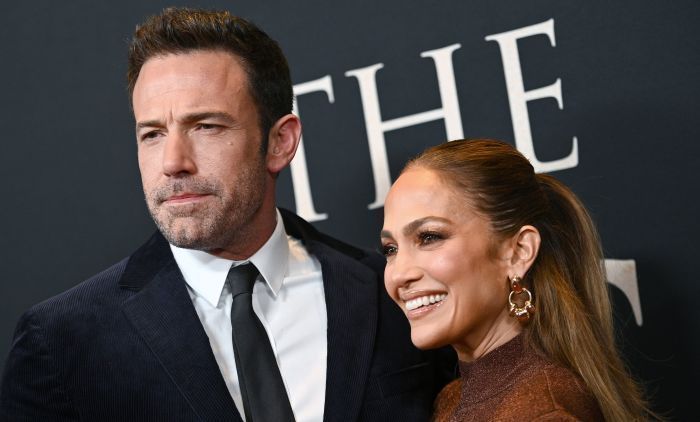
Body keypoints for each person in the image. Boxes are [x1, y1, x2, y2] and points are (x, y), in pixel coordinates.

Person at [0, 7, 454, 421]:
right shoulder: (61, 343)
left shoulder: (389, 295)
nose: (173, 162)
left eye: (206, 126)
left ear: (280, 142)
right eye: (153, 134)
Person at [381, 139, 654, 421]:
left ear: (519, 252)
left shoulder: (543, 412)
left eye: (429, 237)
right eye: (390, 249)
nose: (399, 274)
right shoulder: (453, 398)